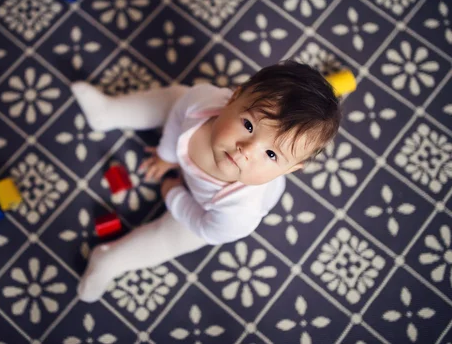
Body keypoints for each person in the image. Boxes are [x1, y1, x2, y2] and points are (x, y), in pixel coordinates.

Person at [69, 60, 342, 302]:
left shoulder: (240, 213)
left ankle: (110, 261)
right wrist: (167, 154)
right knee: (175, 97)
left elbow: (206, 227)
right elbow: (177, 117)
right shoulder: (203, 101)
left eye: (271, 154)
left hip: (204, 208)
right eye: (248, 125)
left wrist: (174, 194)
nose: (246, 150)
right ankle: (109, 112)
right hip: (186, 145)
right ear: (233, 97)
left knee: (172, 239)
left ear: (290, 169)